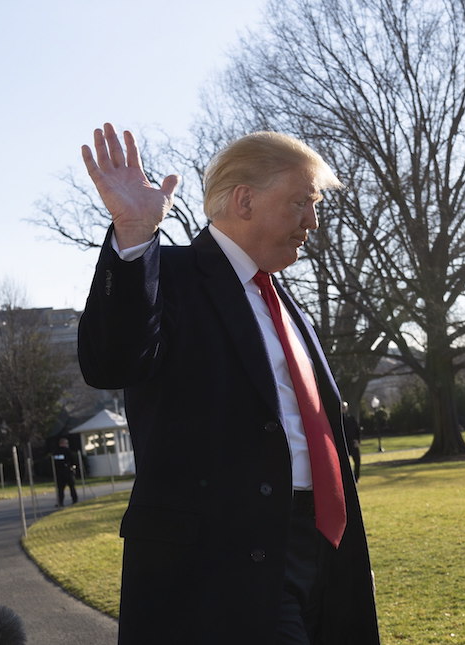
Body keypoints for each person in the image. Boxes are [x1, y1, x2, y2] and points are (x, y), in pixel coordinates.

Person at [77, 123, 380, 644]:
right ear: (244, 200)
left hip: (323, 554)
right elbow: (112, 362)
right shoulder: (164, 275)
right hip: (222, 567)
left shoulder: (287, 304)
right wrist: (133, 237)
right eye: (300, 204)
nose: (311, 222)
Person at [52, 436, 79, 506]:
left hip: (59, 473)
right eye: (66, 443)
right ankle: (75, 500)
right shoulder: (67, 451)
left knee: (60, 489)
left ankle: (60, 502)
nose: (67, 445)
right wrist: (73, 467)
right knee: (72, 487)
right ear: (63, 443)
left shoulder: (55, 452)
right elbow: (72, 460)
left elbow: (54, 462)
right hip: (68, 471)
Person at [342, 402, 362, 481]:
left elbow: (357, 430)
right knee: (345, 463)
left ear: (347, 408)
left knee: (357, 461)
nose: (343, 409)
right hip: (344, 443)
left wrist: (358, 441)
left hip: (353, 443)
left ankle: (356, 477)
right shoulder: (338, 420)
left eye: (344, 407)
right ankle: (347, 478)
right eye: (342, 407)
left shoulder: (352, 419)